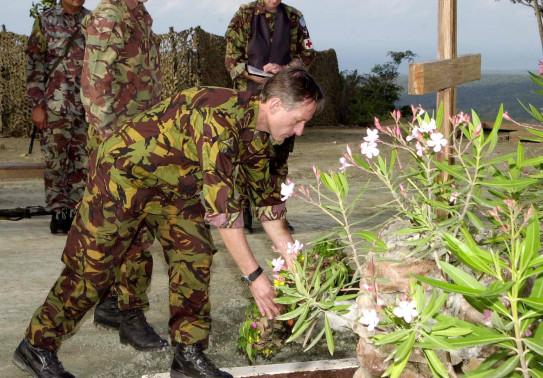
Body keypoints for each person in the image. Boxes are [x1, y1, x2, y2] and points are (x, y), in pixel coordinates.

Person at [13, 68, 324, 378]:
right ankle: (37, 346)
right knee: (93, 267)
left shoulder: (272, 136)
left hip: (176, 185)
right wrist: (254, 277)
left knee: (195, 253)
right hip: (123, 173)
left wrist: (294, 264)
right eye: (298, 120)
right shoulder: (219, 118)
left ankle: (188, 355)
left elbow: (269, 204)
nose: (300, 131)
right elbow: (225, 215)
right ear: (274, 105)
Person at [79, 0, 167, 351]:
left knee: (125, 229)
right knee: (135, 233)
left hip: (139, 138)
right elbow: (94, 87)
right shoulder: (110, 14)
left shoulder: (138, 14)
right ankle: (132, 317)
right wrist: (115, 146)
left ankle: (112, 303)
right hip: (119, 143)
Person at [225, 0, 315, 234]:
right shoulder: (244, 15)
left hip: (285, 100)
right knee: (246, 155)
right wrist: (256, 75)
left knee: (278, 158)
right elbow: (231, 59)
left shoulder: (295, 17)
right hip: (250, 99)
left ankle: (276, 213)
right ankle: (244, 213)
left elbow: (306, 56)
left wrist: (284, 70)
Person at [26, 0, 90, 234]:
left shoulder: (93, 22)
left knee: (83, 161)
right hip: (55, 105)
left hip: (86, 107)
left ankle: (76, 210)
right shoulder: (44, 21)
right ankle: (59, 212)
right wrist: (37, 105)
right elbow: (34, 65)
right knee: (56, 160)